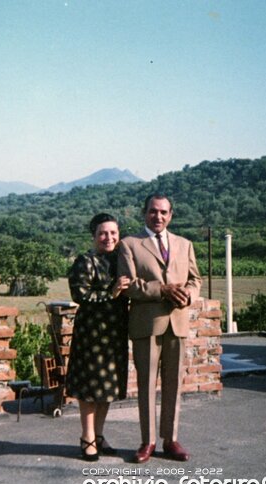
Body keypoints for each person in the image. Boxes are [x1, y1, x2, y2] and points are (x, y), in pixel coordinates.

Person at [117, 194, 202, 463]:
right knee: (146, 384)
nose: (158, 217)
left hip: (177, 322)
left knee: (174, 384)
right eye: (153, 211)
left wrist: (188, 295)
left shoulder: (185, 244)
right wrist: (161, 290)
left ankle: (170, 439)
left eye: (164, 212)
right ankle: (148, 440)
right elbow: (128, 285)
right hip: (146, 324)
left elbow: (195, 279)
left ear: (171, 215)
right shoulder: (129, 244)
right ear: (145, 213)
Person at [65, 213, 131, 461]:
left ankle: (100, 435)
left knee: (108, 387)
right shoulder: (85, 260)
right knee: (91, 388)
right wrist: (110, 294)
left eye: (113, 233)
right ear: (94, 235)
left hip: (115, 334)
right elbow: (79, 294)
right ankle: (87, 437)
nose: (109, 237)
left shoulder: (122, 260)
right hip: (92, 334)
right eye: (103, 233)